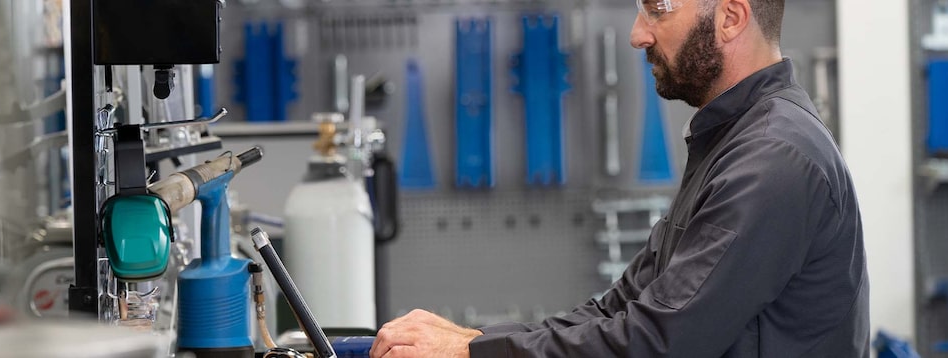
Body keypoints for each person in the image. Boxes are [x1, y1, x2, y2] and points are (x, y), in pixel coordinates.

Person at [369, 0, 869, 356]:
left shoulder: (773, 157)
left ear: (731, 17)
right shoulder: (732, 141)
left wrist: (471, 355)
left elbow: (659, 340)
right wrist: (476, 344)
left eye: (658, 8)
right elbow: (620, 307)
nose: (638, 33)